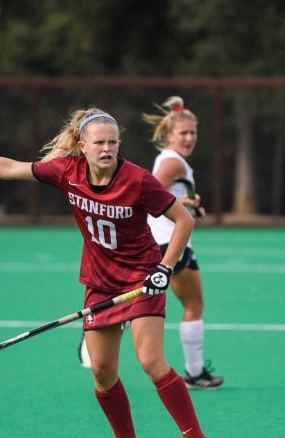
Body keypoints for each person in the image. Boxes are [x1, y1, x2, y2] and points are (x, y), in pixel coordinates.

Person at [0, 107, 216, 438]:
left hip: (142, 279)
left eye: (112, 142)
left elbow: (183, 220)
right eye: (99, 142)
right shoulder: (67, 172)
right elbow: (9, 168)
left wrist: (163, 268)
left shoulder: (138, 180)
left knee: (151, 361)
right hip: (99, 282)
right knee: (103, 372)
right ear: (82, 145)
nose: (107, 148)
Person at [78, 96, 224, 390]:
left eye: (193, 133)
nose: (189, 138)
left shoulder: (173, 160)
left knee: (191, 303)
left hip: (171, 241)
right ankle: (96, 331)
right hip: (164, 243)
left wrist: (189, 206)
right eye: (183, 133)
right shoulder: (171, 162)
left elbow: (166, 196)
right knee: (185, 304)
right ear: (169, 135)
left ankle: (194, 370)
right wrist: (183, 205)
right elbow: (148, 192)